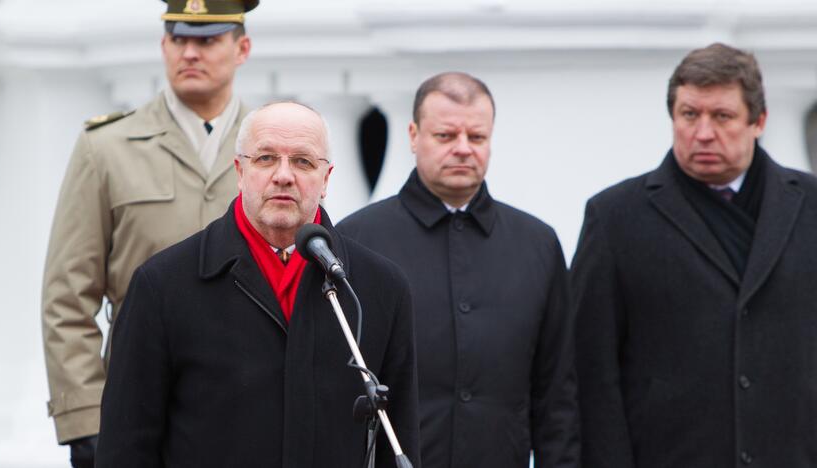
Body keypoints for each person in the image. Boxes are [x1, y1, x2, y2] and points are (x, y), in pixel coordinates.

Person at [94, 102, 420, 467]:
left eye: (303, 162)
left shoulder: (378, 288)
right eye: (266, 159)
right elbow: (125, 446)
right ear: (240, 171)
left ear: (326, 179)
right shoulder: (163, 286)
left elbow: (400, 437)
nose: (283, 176)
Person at [572, 42, 817, 468]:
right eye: (689, 115)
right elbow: (590, 373)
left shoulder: (811, 207)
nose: (703, 133)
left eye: (722, 116)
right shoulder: (615, 219)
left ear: (758, 121)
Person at [41, 1, 256, 466]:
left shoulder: (271, 150)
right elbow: (67, 297)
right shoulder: (106, 148)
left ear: (242, 48)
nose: (190, 53)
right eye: (179, 39)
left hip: (252, 409)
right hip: (137, 408)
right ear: (163, 45)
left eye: (207, 40)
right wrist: (86, 420)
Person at [337, 72, 580, 468]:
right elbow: (333, 383)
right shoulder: (357, 239)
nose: (463, 149)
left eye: (477, 137)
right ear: (414, 136)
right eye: (446, 136)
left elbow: (558, 394)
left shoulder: (537, 243)